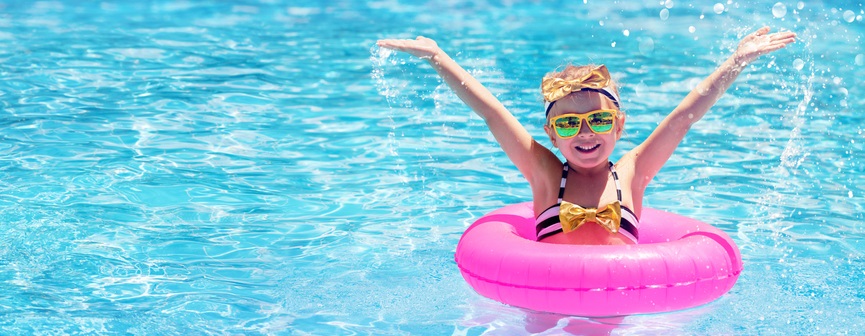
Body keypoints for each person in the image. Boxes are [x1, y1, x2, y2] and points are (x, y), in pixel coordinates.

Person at [377, 27, 796, 245]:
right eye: (567, 124)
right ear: (551, 134)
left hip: (620, 304)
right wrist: (438, 58)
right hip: (546, 302)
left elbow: (683, 117)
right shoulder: (544, 173)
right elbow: (492, 113)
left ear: (618, 125)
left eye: (596, 120)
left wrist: (737, 61)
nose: (583, 133)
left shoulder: (631, 173)